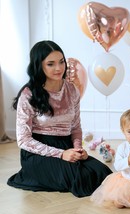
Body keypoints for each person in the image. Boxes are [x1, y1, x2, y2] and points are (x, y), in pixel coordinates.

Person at [7, 40, 112, 197]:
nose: (59, 68)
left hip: (66, 144)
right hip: (38, 152)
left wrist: (78, 148)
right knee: (80, 179)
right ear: (39, 65)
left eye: (61, 62)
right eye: (51, 64)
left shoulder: (72, 90)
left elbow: (75, 127)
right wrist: (61, 154)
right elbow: (23, 140)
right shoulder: (28, 95)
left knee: (103, 173)